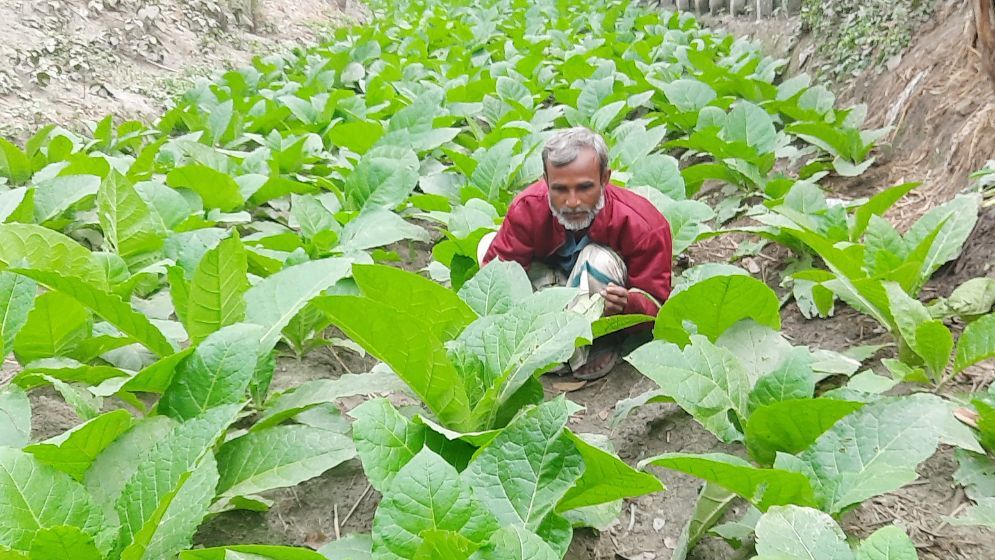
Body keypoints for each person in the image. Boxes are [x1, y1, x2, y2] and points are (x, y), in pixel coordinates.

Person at [478, 127, 673, 380]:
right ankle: (543, 343)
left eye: (584, 188)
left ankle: (591, 343)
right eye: (560, 189)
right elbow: (495, 283)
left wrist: (628, 304)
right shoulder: (528, 208)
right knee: (489, 250)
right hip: (555, 287)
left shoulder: (643, 225)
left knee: (597, 260)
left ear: (605, 178)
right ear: (545, 181)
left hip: (601, 297)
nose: (572, 202)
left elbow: (659, 305)